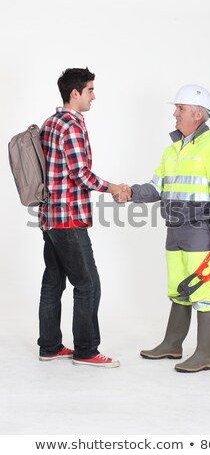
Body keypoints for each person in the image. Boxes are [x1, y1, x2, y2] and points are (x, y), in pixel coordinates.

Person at [114, 85, 210, 373]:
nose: (175, 114)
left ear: (198, 114)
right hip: (174, 229)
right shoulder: (172, 150)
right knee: (178, 289)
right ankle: (172, 344)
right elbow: (157, 187)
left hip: (200, 232)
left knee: (202, 291)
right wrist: (129, 192)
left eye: (180, 109)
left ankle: (204, 354)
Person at [38, 67, 122, 367]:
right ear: (74, 93)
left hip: (50, 217)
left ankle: (49, 346)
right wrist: (113, 188)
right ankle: (86, 350)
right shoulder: (71, 125)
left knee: (53, 283)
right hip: (69, 219)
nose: (93, 96)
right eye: (90, 90)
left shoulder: (51, 122)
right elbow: (79, 173)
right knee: (88, 285)